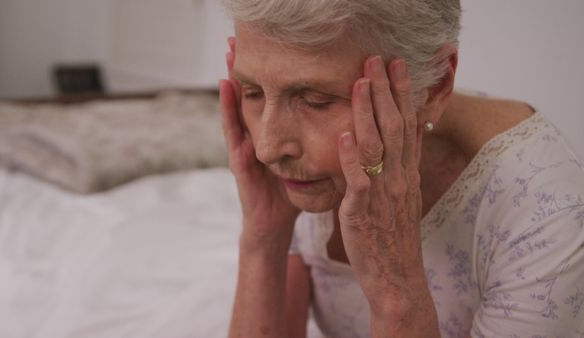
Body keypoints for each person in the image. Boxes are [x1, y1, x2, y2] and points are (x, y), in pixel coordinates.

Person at [218, 1, 584, 337]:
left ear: (436, 86)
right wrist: (263, 236)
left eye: (316, 101)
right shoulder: (310, 166)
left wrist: (397, 291)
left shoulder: (546, 218)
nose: (267, 147)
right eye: (253, 92)